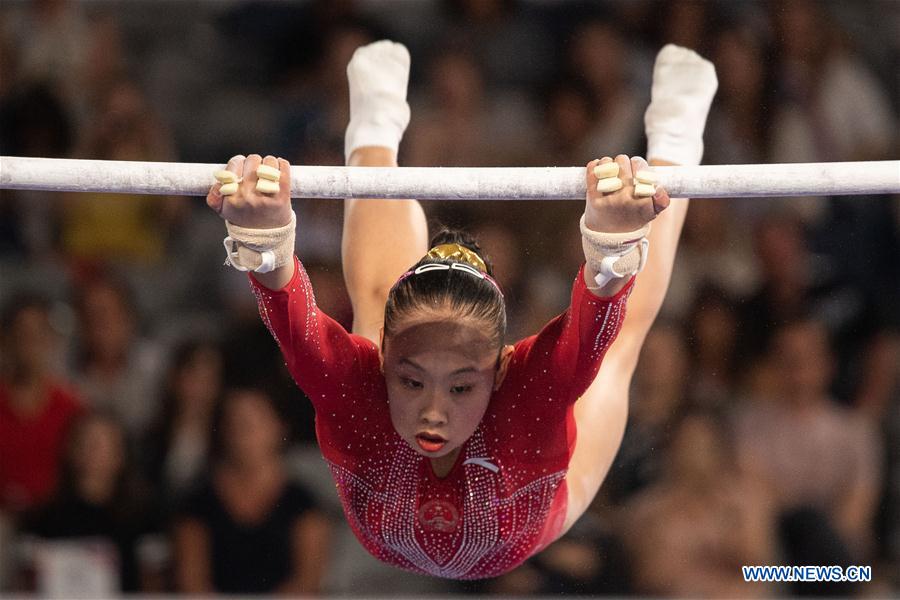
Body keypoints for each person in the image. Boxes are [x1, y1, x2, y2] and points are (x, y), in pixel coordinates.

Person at [205, 41, 716, 579]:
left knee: (614, 347)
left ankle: (675, 136)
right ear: (383, 364)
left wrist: (614, 250)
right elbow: (296, 324)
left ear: (500, 371)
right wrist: (265, 243)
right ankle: (375, 126)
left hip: (536, 515)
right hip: (450, 511)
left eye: (461, 387)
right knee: (379, 299)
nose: (433, 411)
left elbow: (594, 328)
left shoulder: (525, 393)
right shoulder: (361, 379)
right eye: (410, 381)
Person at [173, 388, 330, 595]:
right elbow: (192, 583)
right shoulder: (197, 503)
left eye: (253, 422)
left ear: (279, 427)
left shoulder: (304, 504)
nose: (243, 432)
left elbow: (307, 584)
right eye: (235, 423)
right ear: (222, 430)